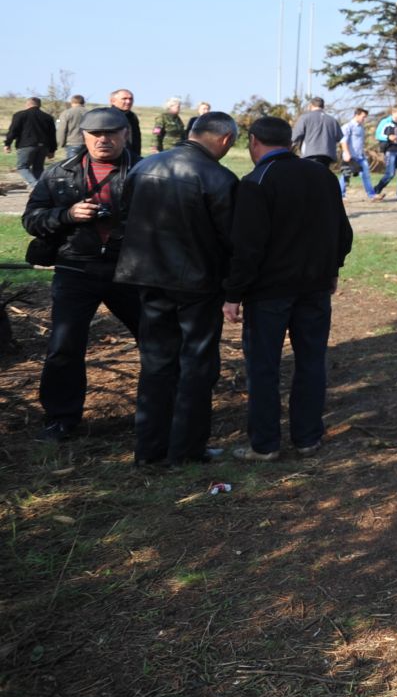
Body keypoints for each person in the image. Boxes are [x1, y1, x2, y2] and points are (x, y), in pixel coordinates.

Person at [222, 117, 353, 462]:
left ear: (254, 142)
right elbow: (342, 230)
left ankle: (264, 444)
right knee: (311, 361)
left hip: (270, 292)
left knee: (264, 367)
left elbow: (247, 246)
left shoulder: (256, 182)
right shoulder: (323, 175)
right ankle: (308, 438)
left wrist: (233, 293)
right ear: (291, 142)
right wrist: (333, 268)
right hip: (314, 287)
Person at [115, 112, 239, 467]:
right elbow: (232, 238)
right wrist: (233, 286)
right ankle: (187, 448)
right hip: (198, 284)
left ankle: (150, 450)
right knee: (197, 365)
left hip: (148, 278)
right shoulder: (219, 177)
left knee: (155, 363)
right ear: (226, 139)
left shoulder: (144, 167)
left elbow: (124, 219)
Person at [20, 108, 142, 441]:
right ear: (83, 136)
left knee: (156, 339)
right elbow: (32, 219)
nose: (103, 139)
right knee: (64, 346)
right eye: (96, 134)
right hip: (76, 267)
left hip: (130, 270)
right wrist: (68, 214)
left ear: (125, 134)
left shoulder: (146, 171)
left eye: (111, 133)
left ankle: (159, 411)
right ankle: (60, 418)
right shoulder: (60, 173)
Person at [6, 96, 57, 187]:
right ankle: (43, 188)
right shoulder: (48, 117)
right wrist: (52, 150)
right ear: (39, 105)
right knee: (38, 168)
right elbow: (52, 135)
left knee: (22, 167)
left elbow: (13, 130)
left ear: (27, 104)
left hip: (26, 145)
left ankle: (36, 185)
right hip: (43, 146)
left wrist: (7, 143)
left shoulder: (20, 115)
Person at [290, 97, 343, 169]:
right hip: (328, 154)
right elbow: (339, 138)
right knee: (322, 176)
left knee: (310, 177)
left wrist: (289, 149)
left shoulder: (305, 118)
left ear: (310, 105)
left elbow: (296, 136)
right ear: (323, 106)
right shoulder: (332, 120)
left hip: (310, 153)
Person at [372, 105, 397, 201]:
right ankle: (377, 189)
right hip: (390, 151)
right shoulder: (385, 122)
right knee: (390, 174)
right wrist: (388, 137)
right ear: (393, 113)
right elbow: (378, 135)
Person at [339, 107, 377, 200]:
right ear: (357, 115)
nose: (364, 119)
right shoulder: (347, 127)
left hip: (360, 156)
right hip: (350, 157)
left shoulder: (361, 128)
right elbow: (343, 141)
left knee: (366, 175)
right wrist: (347, 153)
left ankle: (372, 195)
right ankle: (340, 195)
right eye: (363, 117)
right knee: (345, 176)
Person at [110, 89, 141, 162]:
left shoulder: (132, 117)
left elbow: (136, 138)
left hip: (132, 157)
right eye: (124, 99)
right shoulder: (109, 116)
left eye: (131, 99)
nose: (128, 102)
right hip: (115, 159)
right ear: (113, 101)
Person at [56, 94, 87, 161]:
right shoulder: (89, 113)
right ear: (83, 102)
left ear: (72, 102)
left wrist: (61, 143)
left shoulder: (66, 113)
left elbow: (62, 129)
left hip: (72, 143)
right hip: (87, 143)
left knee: (72, 166)